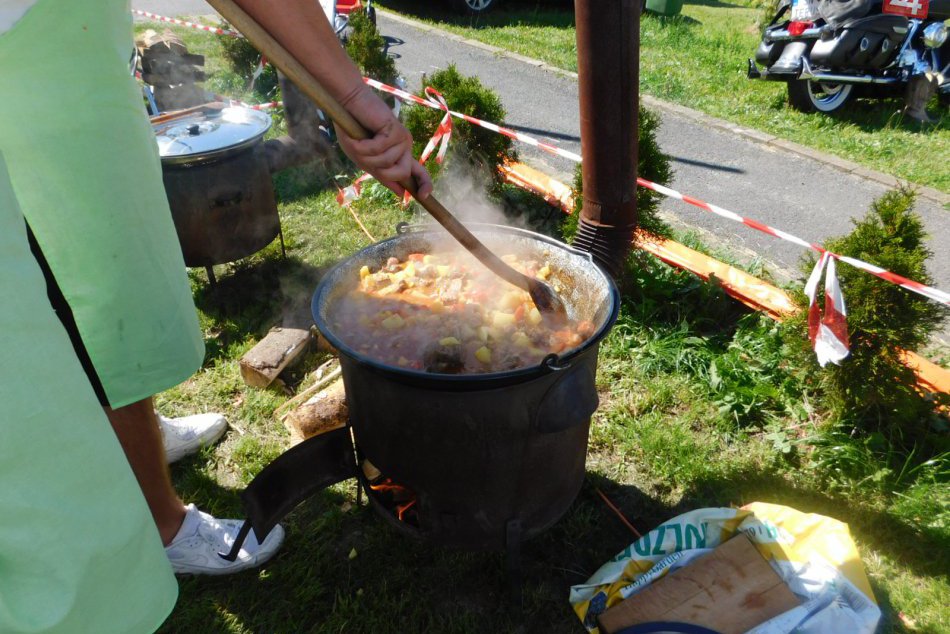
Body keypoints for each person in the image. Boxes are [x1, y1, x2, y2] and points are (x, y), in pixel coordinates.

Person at [0, 0, 429, 629]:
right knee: (47, 334)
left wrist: (350, 96)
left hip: (76, 63)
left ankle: (139, 440)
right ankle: (161, 525)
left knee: (110, 279)